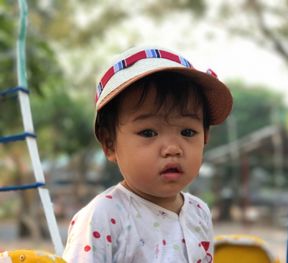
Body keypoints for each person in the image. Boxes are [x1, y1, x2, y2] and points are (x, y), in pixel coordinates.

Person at [62, 46, 233, 263]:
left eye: (187, 132)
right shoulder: (103, 216)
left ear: (205, 138)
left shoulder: (199, 213)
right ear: (109, 143)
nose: (173, 148)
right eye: (148, 132)